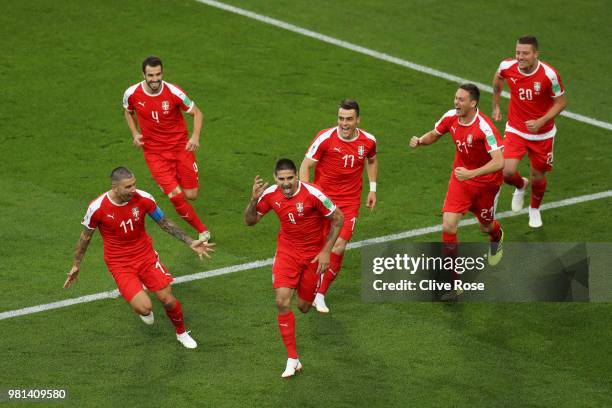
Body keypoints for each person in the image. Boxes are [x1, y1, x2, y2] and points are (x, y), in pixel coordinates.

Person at [64, 167, 214, 348]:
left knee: (167, 299)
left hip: (146, 256)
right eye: (128, 187)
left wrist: (190, 241)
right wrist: (76, 265)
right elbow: (85, 238)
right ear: (115, 187)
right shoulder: (97, 208)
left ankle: (181, 333)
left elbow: (164, 222)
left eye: (134, 184)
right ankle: (139, 300)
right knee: (145, 307)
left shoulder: (143, 198)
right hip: (119, 263)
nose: (133, 189)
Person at [245, 159, 344, 378]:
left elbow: (338, 218)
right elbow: (250, 221)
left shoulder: (313, 194)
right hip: (287, 252)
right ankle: (292, 358)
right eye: (282, 179)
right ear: (275, 178)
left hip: (313, 256)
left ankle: (304, 284)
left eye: (290, 178)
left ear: (297, 176)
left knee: (304, 307)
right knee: (281, 301)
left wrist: (327, 251)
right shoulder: (270, 194)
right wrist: (253, 200)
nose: (286, 183)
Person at [410, 84, 505, 278]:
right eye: (455, 98)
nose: (456, 102)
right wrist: (420, 141)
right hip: (460, 180)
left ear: (473, 102)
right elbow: (434, 134)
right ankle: (453, 279)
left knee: (485, 226)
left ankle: (497, 236)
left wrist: (472, 174)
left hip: (486, 184)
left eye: (461, 100)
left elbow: (499, 162)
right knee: (448, 225)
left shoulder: (484, 128)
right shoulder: (451, 116)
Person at [299, 99, 377, 313]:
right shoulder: (325, 137)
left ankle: (320, 294)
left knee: (339, 245)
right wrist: (307, 194)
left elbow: (372, 160)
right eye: (341, 118)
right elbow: (306, 165)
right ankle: (298, 276)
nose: (344, 123)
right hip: (324, 200)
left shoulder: (368, 141)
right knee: (315, 245)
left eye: (349, 119)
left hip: (349, 203)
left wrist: (373, 188)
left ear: (358, 120)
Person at [123, 55, 211, 241]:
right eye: (150, 75)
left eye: (158, 75)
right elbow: (128, 111)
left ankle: (173, 176)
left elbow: (197, 113)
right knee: (176, 195)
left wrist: (195, 136)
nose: (154, 79)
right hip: (154, 153)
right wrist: (134, 133)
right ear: (143, 74)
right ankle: (203, 231)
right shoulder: (132, 93)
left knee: (191, 194)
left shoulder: (174, 92)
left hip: (181, 148)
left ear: (162, 73)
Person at [492, 35, 567, 227]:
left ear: (535, 54)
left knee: (538, 175)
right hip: (516, 129)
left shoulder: (549, 75)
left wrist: (541, 121)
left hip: (543, 134)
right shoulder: (507, 66)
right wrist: (496, 105)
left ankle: (534, 209)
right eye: (518, 52)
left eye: (525, 53)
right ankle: (521, 185)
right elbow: (498, 78)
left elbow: (561, 102)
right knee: (507, 172)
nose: (520, 57)